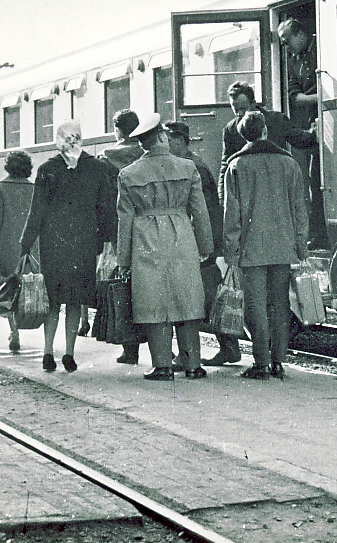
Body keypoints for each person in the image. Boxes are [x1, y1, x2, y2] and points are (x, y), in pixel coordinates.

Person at [117, 113, 214, 380]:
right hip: (182, 235)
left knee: (154, 301)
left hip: (145, 239)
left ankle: (162, 366)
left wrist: (123, 259)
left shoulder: (128, 174)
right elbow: (200, 210)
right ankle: (193, 365)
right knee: (187, 299)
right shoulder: (187, 168)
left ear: (141, 144)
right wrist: (205, 244)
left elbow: (124, 220)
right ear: (162, 137)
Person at [20, 121, 115, 373]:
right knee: (75, 300)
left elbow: (36, 211)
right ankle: (69, 354)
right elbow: (105, 207)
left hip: (54, 243)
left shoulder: (48, 169)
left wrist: (26, 242)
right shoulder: (96, 168)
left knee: (52, 300)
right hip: (84, 243)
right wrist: (106, 240)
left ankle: (48, 351)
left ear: (58, 141)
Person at [223, 111, 309, 380]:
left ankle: (260, 361)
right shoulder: (289, 163)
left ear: (242, 135)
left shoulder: (237, 166)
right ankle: (278, 361)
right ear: (265, 131)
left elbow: (232, 214)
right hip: (283, 246)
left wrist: (231, 251)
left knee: (255, 306)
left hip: (251, 248)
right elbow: (299, 209)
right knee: (280, 304)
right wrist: (301, 247)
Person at [164, 120, 236, 366]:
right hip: (197, 243)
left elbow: (204, 210)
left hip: (195, 244)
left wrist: (205, 246)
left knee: (196, 297)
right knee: (207, 295)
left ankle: (190, 354)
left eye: (169, 140)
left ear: (180, 141)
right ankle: (227, 347)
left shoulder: (192, 166)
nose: (166, 145)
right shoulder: (193, 163)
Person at [97, 109, 145, 364]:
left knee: (124, 283)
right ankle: (161, 344)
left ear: (117, 129)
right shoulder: (145, 153)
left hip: (119, 227)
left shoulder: (106, 157)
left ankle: (130, 349)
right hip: (147, 225)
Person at [0, 151, 40, 353]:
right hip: (33, 246)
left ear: (8, 167)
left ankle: (14, 331)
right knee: (29, 287)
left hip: (7, 246)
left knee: (10, 287)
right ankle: (28, 321)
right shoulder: (35, 190)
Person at [218, 82, 315, 201]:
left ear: (253, 103)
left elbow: (299, 139)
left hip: (276, 186)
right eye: (235, 109)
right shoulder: (230, 129)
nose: (239, 114)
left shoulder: (277, 120)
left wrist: (315, 133)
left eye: (243, 109)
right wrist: (222, 198)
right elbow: (226, 164)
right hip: (249, 190)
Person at [278, 18, 327, 250]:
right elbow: (293, 97)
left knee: (324, 180)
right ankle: (318, 234)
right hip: (313, 128)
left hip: (330, 123)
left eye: (287, 41)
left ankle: (322, 233)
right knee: (314, 182)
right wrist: (321, 98)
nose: (286, 47)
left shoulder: (323, 48)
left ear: (300, 34)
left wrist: (319, 99)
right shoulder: (293, 61)